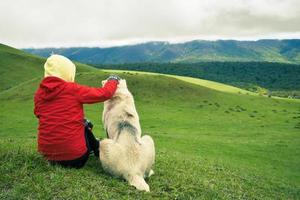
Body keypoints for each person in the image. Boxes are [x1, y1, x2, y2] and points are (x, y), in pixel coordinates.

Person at [34, 54, 120, 168]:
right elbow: (105, 93)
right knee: (84, 124)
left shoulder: (39, 94)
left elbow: (39, 114)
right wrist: (113, 80)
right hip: (75, 159)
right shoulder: (72, 90)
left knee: (82, 123)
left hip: (47, 156)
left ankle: (94, 146)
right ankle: (97, 148)